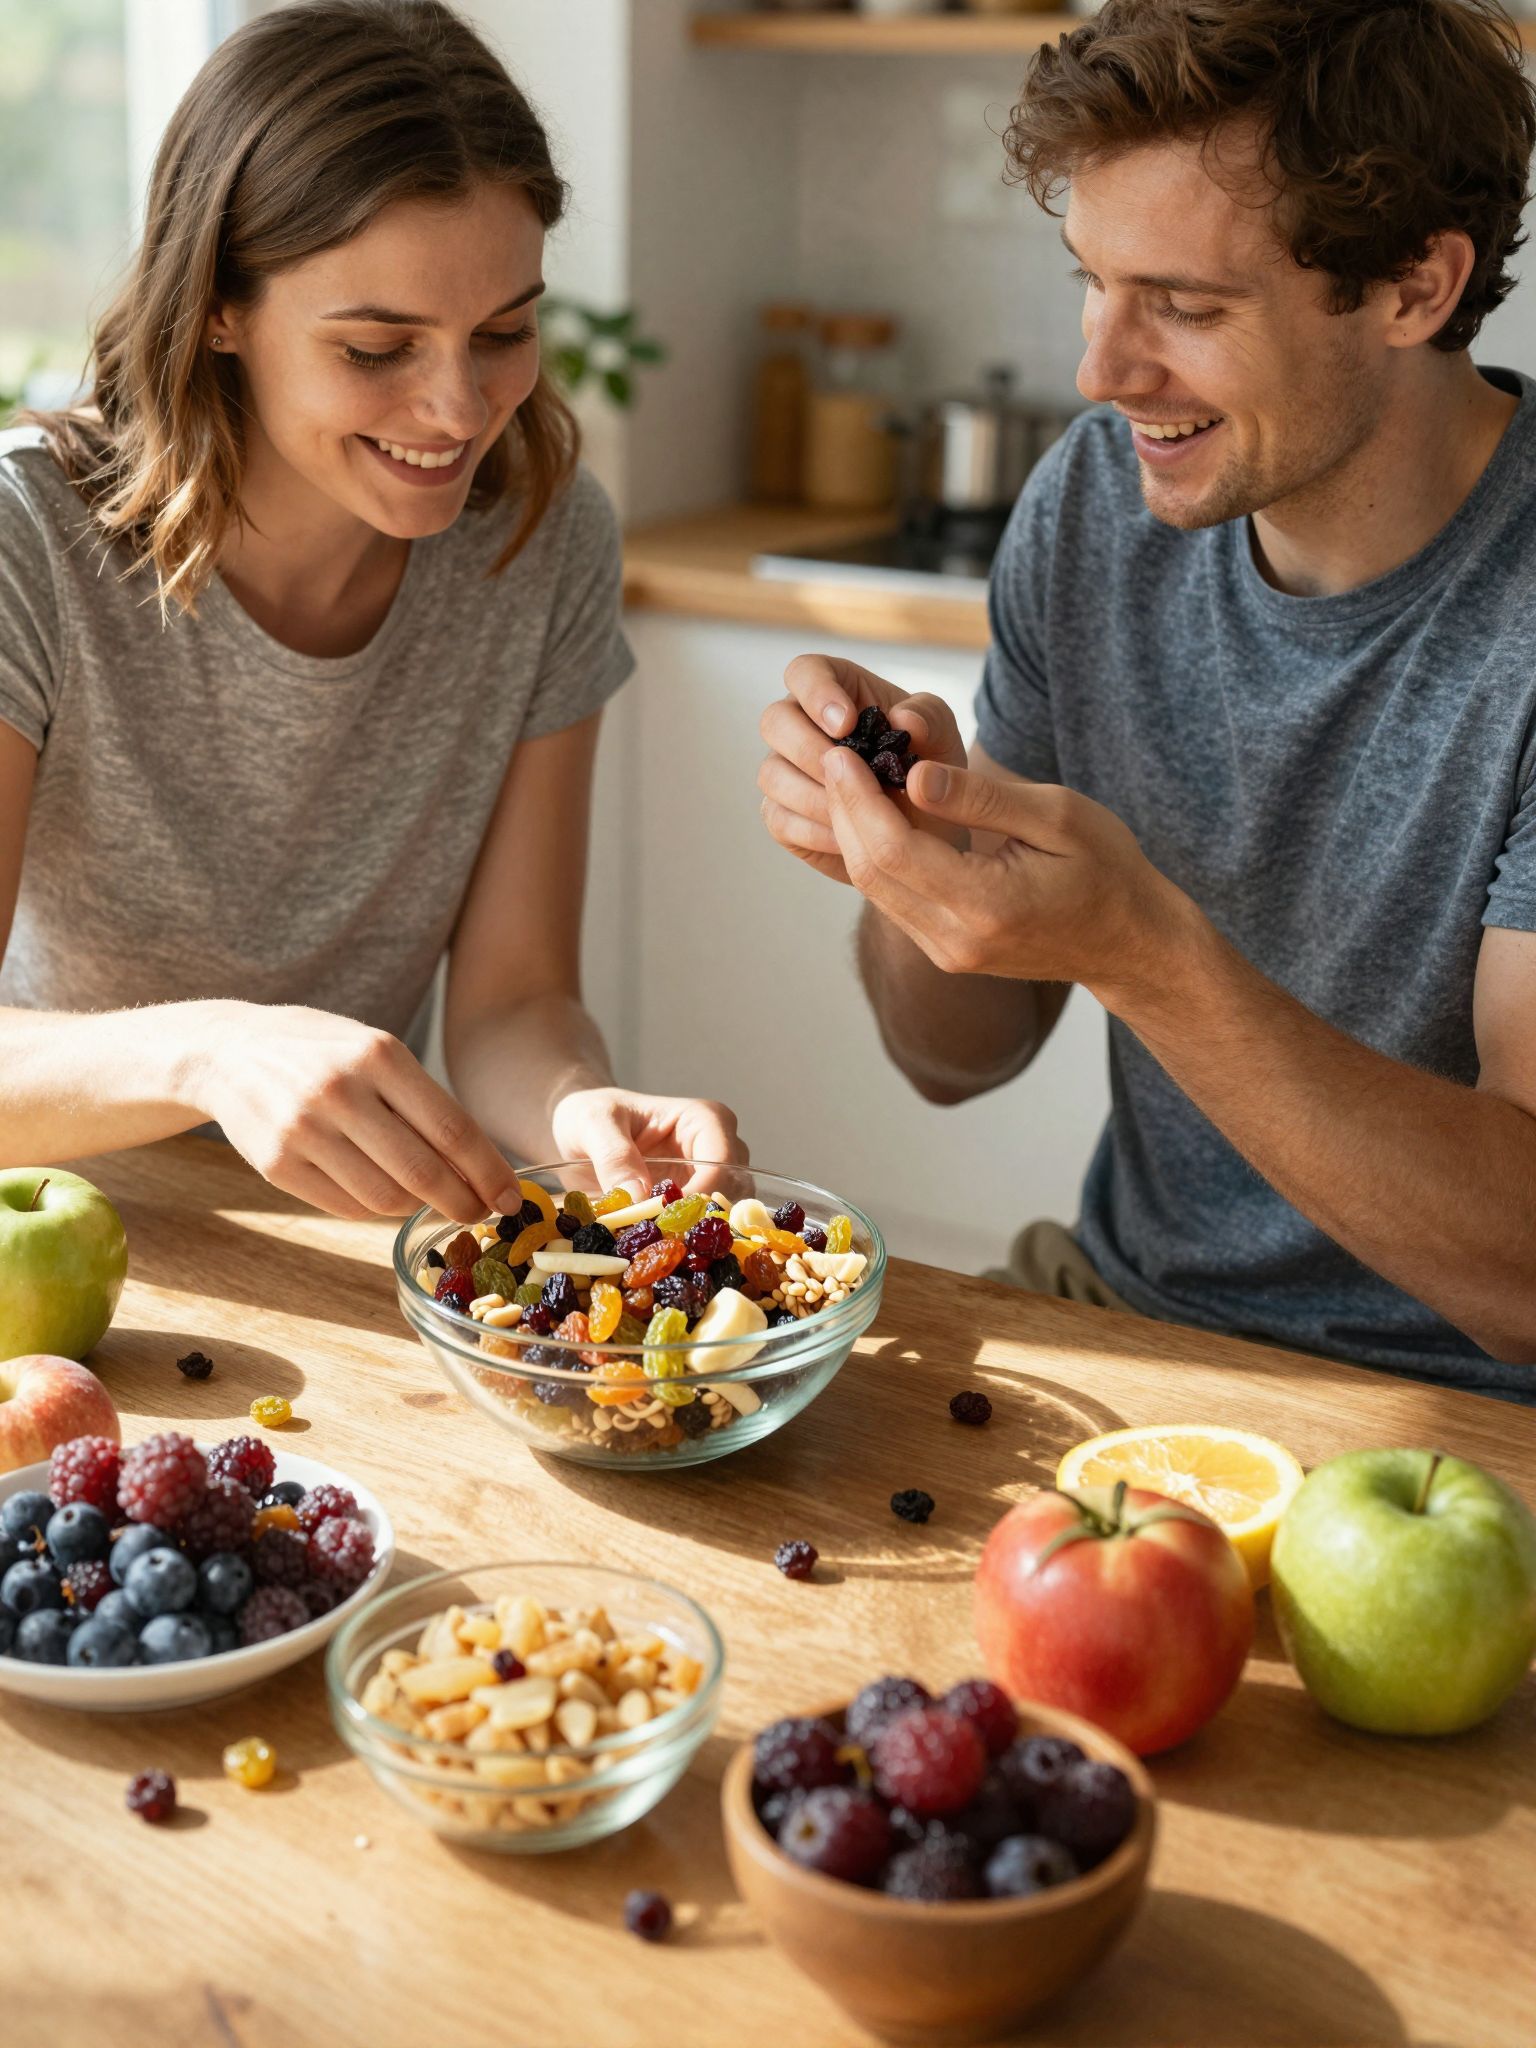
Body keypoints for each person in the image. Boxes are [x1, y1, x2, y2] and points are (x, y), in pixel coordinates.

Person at [758, 0, 1536, 1400]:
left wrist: (1144, 950)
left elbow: (1526, 1279)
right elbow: (956, 1057)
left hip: (1469, 1413)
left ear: (1418, 288)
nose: (1101, 370)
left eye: (1185, 306)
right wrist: (913, 861)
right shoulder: (1094, 508)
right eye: (1093, 283)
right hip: (1128, 1316)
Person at [0, 0, 744, 1225]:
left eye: (503, 331)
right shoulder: (29, 543)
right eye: (377, 348)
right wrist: (211, 1055)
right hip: (63, 1245)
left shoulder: (539, 540)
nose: (458, 408)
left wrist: (573, 1105)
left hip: (345, 1250)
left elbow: (513, 998)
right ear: (220, 309)